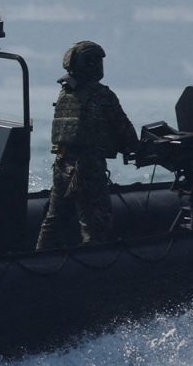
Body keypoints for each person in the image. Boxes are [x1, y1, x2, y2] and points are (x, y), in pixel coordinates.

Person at [36, 41, 138, 250]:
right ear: (90, 64)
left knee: (54, 220)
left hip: (62, 163)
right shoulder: (101, 94)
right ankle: (95, 262)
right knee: (94, 223)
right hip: (87, 166)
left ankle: (39, 258)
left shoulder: (66, 92)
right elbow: (124, 131)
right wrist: (136, 148)